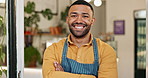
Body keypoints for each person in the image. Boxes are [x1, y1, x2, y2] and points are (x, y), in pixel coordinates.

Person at [42, 0, 118, 78]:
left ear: (92, 21)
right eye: (74, 15)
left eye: (85, 16)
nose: (78, 20)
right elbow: (49, 76)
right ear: (67, 20)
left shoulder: (106, 51)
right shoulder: (53, 50)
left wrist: (62, 75)